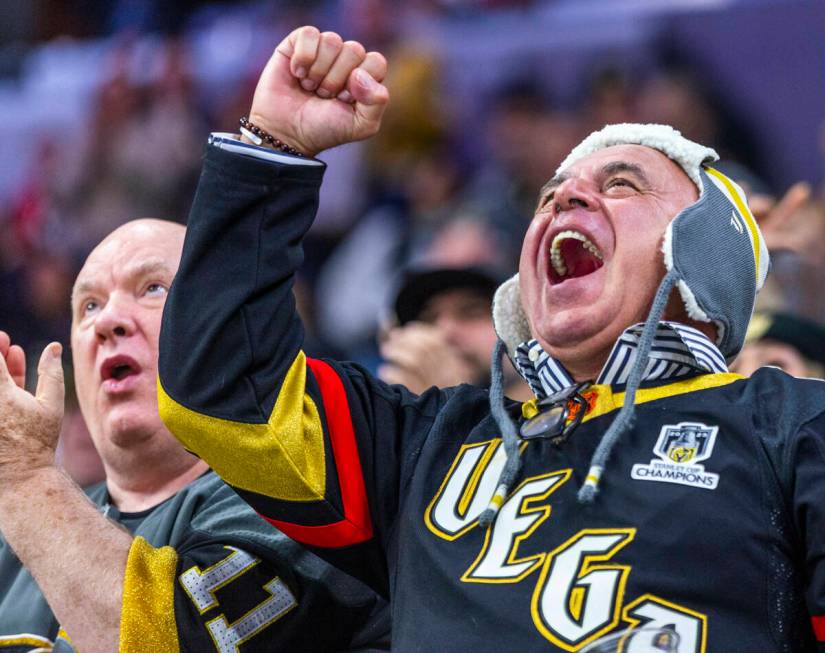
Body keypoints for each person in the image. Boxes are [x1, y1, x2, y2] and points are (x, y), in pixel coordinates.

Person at [158, 26, 825, 651]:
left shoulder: (790, 428)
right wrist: (273, 146)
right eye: (549, 197)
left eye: (620, 185)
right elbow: (223, 390)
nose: (564, 202)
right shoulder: (420, 445)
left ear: (705, 253)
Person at [0, 219, 386, 652]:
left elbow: (165, 643)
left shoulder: (297, 500)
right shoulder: (13, 528)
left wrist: (26, 476)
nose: (107, 320)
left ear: (230, 327)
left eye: (153, 288)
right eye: (89, 306)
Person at [380, 266, 531, 400]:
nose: (445, 332)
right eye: (427, 320)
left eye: (471, 312)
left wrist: (447, 404)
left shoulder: (547, 402)